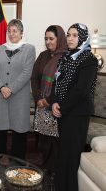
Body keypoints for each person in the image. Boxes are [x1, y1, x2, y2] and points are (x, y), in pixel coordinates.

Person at [52, 23, 98, 191]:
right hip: (64, 112)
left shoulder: (89, 60)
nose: (70, 38)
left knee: (71, 156)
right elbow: (57, 82)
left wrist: (61, 107)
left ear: (83, 38)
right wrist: (54, 102)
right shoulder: (66, 57)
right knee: (63, 154)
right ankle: (60, 186)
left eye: (75, 35)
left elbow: (81, 90)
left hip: (77, 114)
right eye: (69, 35)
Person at [0, 19, 35, 160]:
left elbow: (27, 73)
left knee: (19, 132)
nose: (11, 34)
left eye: (15, 31)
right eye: (9, 31)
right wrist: (2, 87)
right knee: (0, 132)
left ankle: (17, 164)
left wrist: (11, 89)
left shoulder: (29, 49)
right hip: (1, 96)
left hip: (19, 97)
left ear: (22, 33)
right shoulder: (0, 49)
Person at [31, 25, 67, 174]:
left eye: (51, 39)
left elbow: (63, 83)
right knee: (43, 141)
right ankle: (45, 167)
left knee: (55, 142)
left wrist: (48, 100)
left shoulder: (67, 57)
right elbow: (34, 78)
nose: (48, 42)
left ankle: (54, 170)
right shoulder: (43, 55)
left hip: (55, 106)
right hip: (41, 105)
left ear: (59, 39)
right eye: (46, 39)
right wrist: (39, 98)